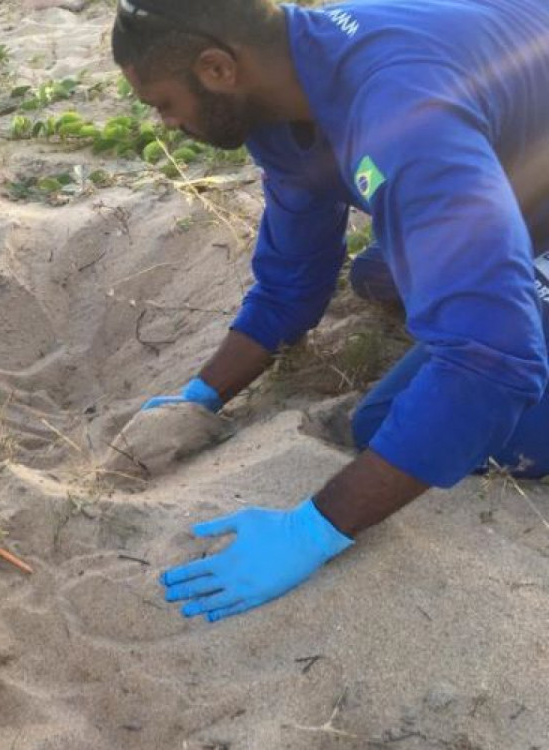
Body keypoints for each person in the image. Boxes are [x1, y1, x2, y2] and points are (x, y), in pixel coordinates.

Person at [110, 0, 549, 622]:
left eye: (163, 104)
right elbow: (294, 276)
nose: (166, 124)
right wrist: (201, 395)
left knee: (391, 418)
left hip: (481, 152)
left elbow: (493, 363)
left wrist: (312, 531)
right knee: (385, 272)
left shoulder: (401, 113)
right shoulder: (287, 84)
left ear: (216, 69)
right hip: (519, 156)